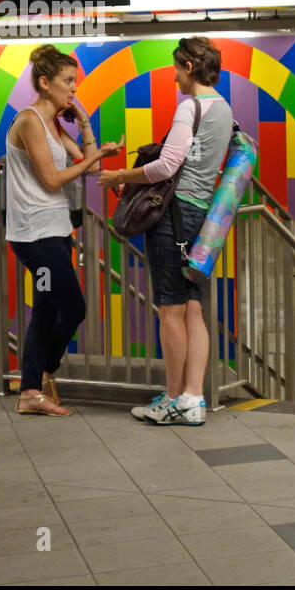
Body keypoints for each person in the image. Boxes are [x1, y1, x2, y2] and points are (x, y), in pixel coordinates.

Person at [100, 37, 233, 426]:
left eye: (177, 68)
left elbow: (166, 166)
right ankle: (194, 398)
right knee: (193, 309)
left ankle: (175, 398)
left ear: (189, 67)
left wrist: (120, 176)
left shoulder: (189, 107)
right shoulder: (224, 110)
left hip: (174, 216)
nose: (174, 77)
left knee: (169, 310)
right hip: (203, 219)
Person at [5, 44, 122, 417]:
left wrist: (84, 120)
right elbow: (55, 179)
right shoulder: (29, 121)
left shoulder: (54, 123)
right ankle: (40, 376)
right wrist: (96, 157)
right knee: (72, 308)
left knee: (45, 310)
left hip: (54, 231)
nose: (74, 88)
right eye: (67, 81)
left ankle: (29, 393)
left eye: (75, 82)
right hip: (35, 237)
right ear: (44, 82)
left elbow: (84, 163)